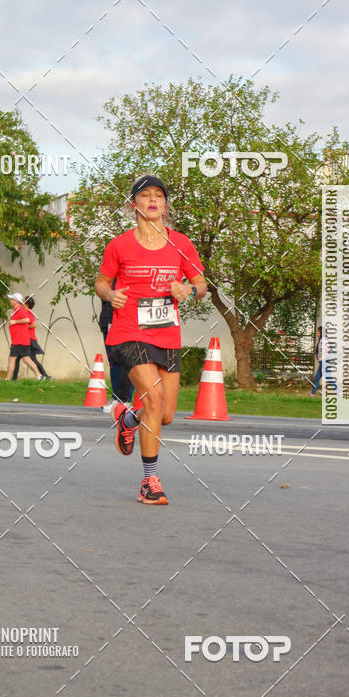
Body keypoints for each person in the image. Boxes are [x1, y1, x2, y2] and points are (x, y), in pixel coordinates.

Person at [95, 175, 206, 505]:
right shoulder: (119, 245)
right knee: (153, 400)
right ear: (135, 205)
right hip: (128, 332)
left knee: (166, 414)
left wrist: (188, 289)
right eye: (145, 195)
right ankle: (149, 482)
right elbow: (101, 283)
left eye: (159, 195)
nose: (153, 200)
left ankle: (129, 419)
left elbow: (201, 285)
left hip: (167, 334)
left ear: (165, 205)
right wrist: (110, 294)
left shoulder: (181, 244)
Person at [98, 278, 134, 412]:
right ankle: (118, 398)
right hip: (108, 320)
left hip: (124, 321)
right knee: (114, 361)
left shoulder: (128, 275)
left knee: (126, 361)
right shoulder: (107, 278)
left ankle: (123, 399)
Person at [12, 296, 53, 381]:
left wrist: (23, 327)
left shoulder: (27, 312)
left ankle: (45, 376)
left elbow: (34, 325)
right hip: (26, 339)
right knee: (18, 358)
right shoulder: (25, 312)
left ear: (26, 304)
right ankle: (14, 379)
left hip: (29, 340)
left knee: (31, 359)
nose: (21, 303)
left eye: (23, 301)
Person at [5, 293, 43, 380]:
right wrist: (11, 320)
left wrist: (14, 322)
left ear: (15, 301)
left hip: (19, 340)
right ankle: (39, 376)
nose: (10, 301)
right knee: (26, 359)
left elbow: (27, 320)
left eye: (12, 299)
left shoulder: (20, 309)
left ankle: (7, 379)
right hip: (20, 340)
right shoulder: (17, 310)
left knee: (12, 359)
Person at [310, 325, 334, 395]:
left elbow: (322, 351)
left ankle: (339, 392)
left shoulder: (323, 340)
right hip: (323, 361)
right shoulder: (322, 340)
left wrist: (319, 357)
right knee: (317, 378)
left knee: (328, 378)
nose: (317, 333)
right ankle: (313, 393)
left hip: (324, 361)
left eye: (318, 331)